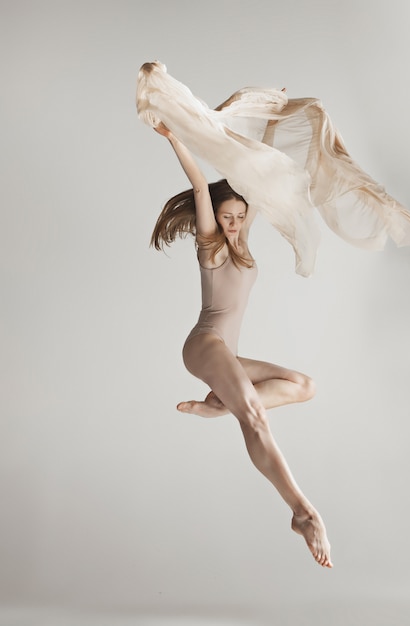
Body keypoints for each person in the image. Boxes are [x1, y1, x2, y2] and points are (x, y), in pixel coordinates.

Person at [151, 121, 333, 568]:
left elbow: (255, 176)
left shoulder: (243, 240)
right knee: (254, 416)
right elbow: (198, 184)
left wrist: (270, 124)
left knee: (304, 386)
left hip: (226, 354)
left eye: (238, 216)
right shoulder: (210, 243)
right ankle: (303, 512)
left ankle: (220, 406)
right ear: (214, 216)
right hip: (205, 344)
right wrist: (174, 138)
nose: (233, 225)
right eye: (226, 217)